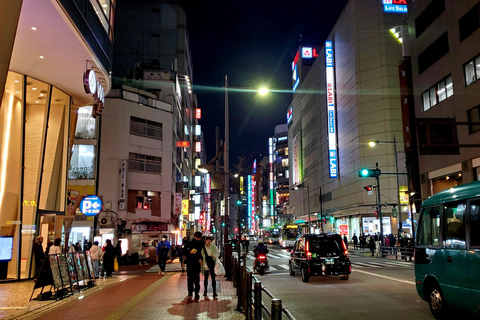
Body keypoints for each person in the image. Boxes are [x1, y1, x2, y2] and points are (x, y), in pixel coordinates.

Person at [184, 232, 204, 300]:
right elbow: (202, 254)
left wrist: (189, 252)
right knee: (196, 278)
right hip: (196, 263)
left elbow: (184, 251)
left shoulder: (189, 243)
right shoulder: (201, 244)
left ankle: (190, 291)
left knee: (190, 278)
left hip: (190, 262)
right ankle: (196, 293)